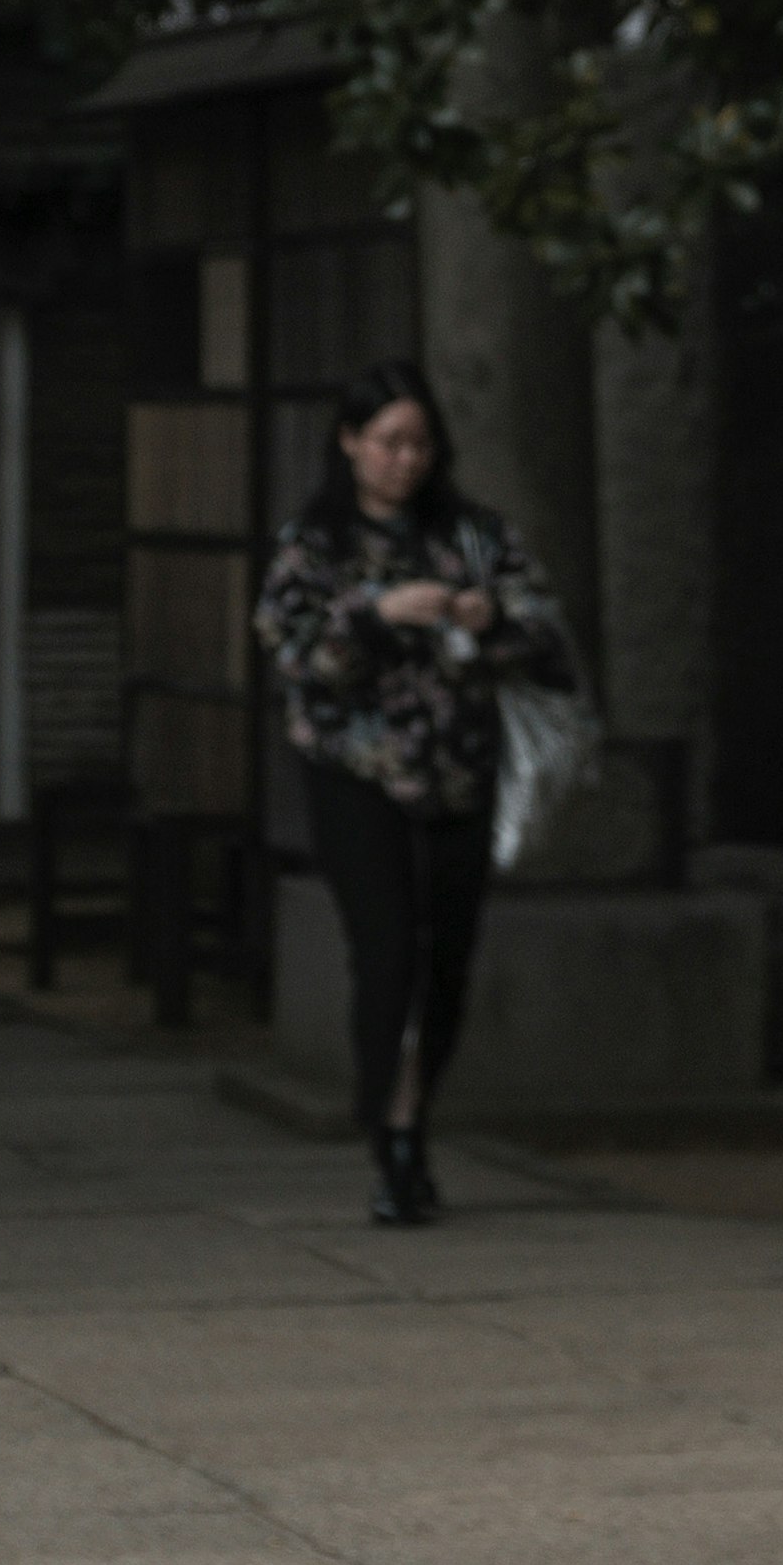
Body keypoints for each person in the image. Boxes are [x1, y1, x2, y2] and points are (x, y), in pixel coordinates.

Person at [255, 358, 575, 1228]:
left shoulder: (473, 535)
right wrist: (379, 614)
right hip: (356, 775)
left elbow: (548, 637)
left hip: (459, 771)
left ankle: (414, 1115)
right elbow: (291, 653)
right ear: (350, 443)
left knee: (445, 962)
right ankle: (389, 1135)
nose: (405, 460)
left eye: (419, 443)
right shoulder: (314, 542)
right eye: (388, 442)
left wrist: (486, 621)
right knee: (388, 951)